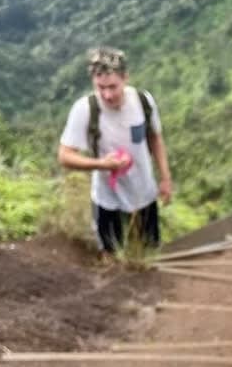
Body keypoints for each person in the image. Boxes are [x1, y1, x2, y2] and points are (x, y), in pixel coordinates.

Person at [58, 46, 172, 259]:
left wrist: (165, 178)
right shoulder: (85, 110)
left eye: (113, 87)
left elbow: (155, 138)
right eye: (100, 87)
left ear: (125, 78)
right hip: (106, 198)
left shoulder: (143, 101)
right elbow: (64, 156)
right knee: (110, 255)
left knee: (149, 252)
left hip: (143, 194)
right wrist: (102, 164)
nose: (107, 95)